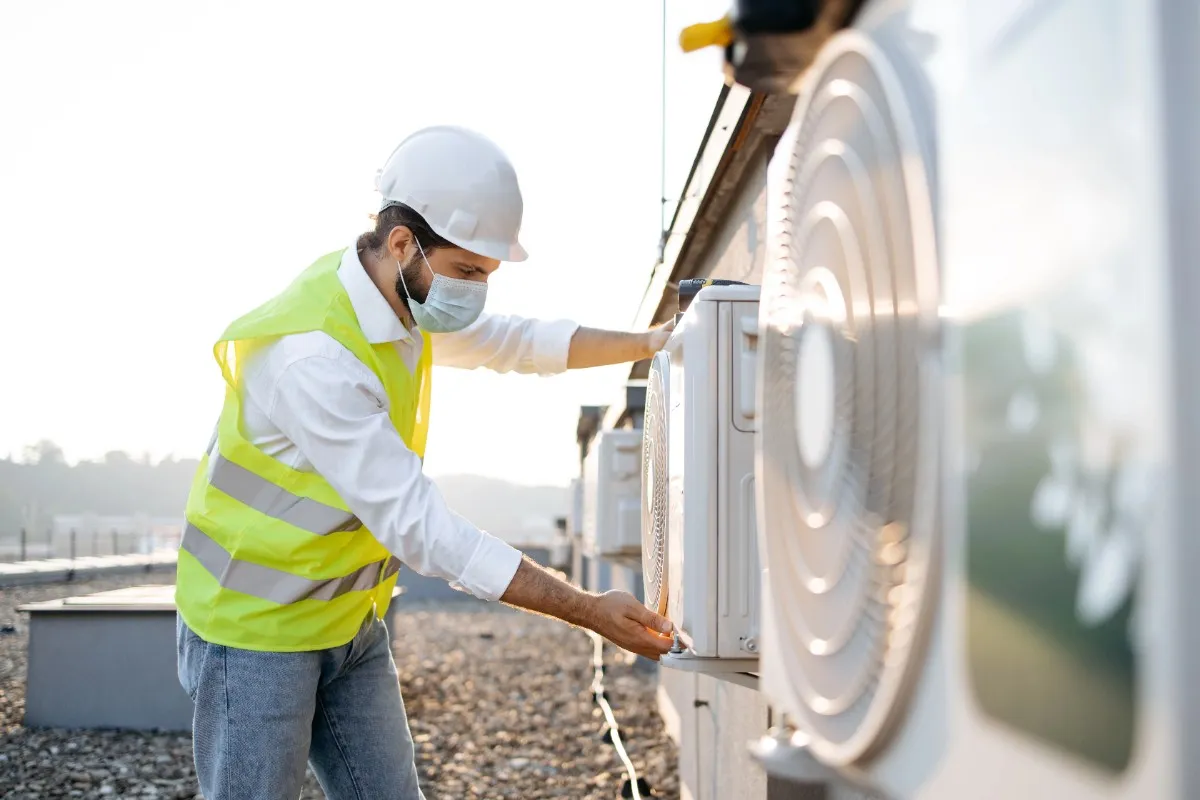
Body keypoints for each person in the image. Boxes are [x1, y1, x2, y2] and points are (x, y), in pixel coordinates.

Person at [174, 125, 676, 800]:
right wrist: (587, 609)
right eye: (469, 271)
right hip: (255, 632)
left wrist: (650, 344)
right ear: (404, 242)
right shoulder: (315, 356)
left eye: (487, 275)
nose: (476, 292)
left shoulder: (398, 298)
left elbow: (515, 341)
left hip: (347, 620)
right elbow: (425, 530)